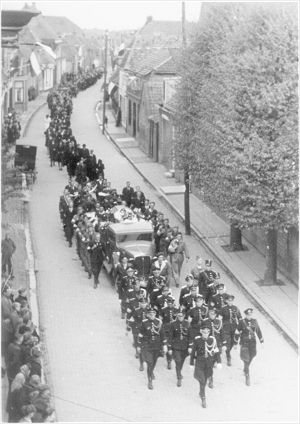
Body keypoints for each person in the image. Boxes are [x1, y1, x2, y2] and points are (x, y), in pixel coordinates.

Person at [190, 323, 220, 408]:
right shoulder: (197, 340)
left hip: (209, 364)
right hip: (199, 363)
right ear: (201, 332)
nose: (205, 334)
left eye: (207, 332)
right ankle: (203, 398)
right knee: (202, 380)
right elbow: (192, 353)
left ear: (209, 332)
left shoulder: (212, 340)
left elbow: (216, 351)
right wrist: (191, 363)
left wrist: (219, 362)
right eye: (204, 332)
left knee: (205, 379)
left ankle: (201, 391)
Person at [137, 307, 167, 390]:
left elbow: (163, 334)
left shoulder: (159, 322)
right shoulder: (144, 323)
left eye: (154, 314)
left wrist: (164, 345)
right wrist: (139, 346)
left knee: (154, 362)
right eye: (150, 314)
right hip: (147, 346)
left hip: (157, 346)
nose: (152, 315)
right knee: (150, 363)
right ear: (147, 315)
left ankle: (151, 371)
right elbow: (140, 335)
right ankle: (150, 380)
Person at [234, 308, 264, 386]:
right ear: (246, 315)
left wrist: (261, 341)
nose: (249, 316)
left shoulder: (255, 321)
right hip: (244, 342)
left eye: (250, 314)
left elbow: (258, 331)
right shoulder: (241, 322)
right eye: (248, 314)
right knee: (246, 359)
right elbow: (237, 332)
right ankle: (247, 376)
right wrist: (235, 342)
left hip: (253, 343)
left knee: (252, 355)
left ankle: (245, 368)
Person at [168, 309, 191, 387]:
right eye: (179, 316)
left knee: (181, 361)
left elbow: (190, 336)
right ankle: (179, 378)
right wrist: (170, 347)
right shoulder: (173, 324)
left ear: (184, 316)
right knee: (178, 361)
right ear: (177, 316)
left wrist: (190, 346)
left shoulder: (187, 323)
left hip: (185, 346)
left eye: (182, 316)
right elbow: (170, 336)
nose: (180, 317)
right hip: (176, 346)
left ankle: (179, 371)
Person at [220, 294, 242, 366]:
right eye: (229, 301)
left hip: (234, 327)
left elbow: (239, 317)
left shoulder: (236, 308)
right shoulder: (223, 309)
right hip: (226, 327)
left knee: (233, 341)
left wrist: (240, 326)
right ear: (226, 301)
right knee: (227, 342)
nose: (230, 302)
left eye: (231, 301)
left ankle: (228, 351)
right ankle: (228, 357)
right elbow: (220, 318)